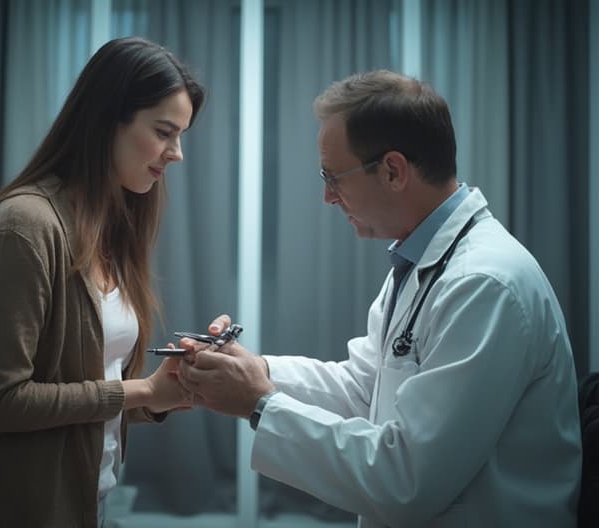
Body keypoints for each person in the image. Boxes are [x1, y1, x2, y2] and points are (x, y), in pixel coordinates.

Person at [177, 70, 582, 527]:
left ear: (393, 170)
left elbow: (406, 481)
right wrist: (252, 371)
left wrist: (260, 402)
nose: (328, 197)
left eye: (333, 177)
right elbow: (363, 389)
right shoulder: (425, 262)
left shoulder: (484, 283)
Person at [0, 37, 204, 527]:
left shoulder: (112, 229)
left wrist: (165, 390)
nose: (177, 154)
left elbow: (94, 390)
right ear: (108, 120)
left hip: (89, 503)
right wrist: (139, 393)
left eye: (181, 136)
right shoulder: (25, 227)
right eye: (165, 132)